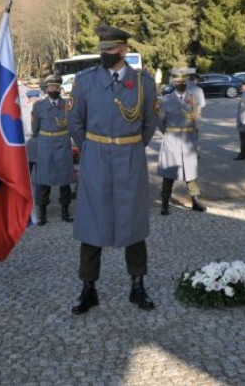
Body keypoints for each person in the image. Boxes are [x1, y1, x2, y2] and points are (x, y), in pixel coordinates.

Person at [67, 24, 158, 315]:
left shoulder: (143, 83)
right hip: (95, 157)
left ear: (124, 50)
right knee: (92, 223)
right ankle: (88, 288)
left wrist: (128, 146)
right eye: (101, 50)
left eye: (110, 50)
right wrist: (93, 149)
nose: (104, 54)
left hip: (130, 157)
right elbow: (75, 123)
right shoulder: (85, 81)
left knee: (134, 223)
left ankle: (138, 285)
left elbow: (149, 124)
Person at [157, 70, 206, 215]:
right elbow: (160, 122)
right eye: (178, 82)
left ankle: (195, 201)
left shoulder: (193, 99)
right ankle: (165, 203)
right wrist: (169, 133)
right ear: (173, 83)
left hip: (189, 139)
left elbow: (197, 119)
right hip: (172, 139)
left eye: (183, 81)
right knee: (169, 172)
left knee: (191, 172)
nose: (181, 84)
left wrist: (193, 134)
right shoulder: (165, 100)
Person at [31, 74, 75, 224]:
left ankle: (65, 211)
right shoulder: (39, 106)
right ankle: (42, 213)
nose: (54, 89)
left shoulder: (68, 104)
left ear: (60, 88)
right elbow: (35, 129)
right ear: (46, 89)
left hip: (63, 143)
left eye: (56, 87)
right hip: (46, 145)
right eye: (51, 87)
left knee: (65, 180)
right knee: (44, 180)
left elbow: (73, 125)